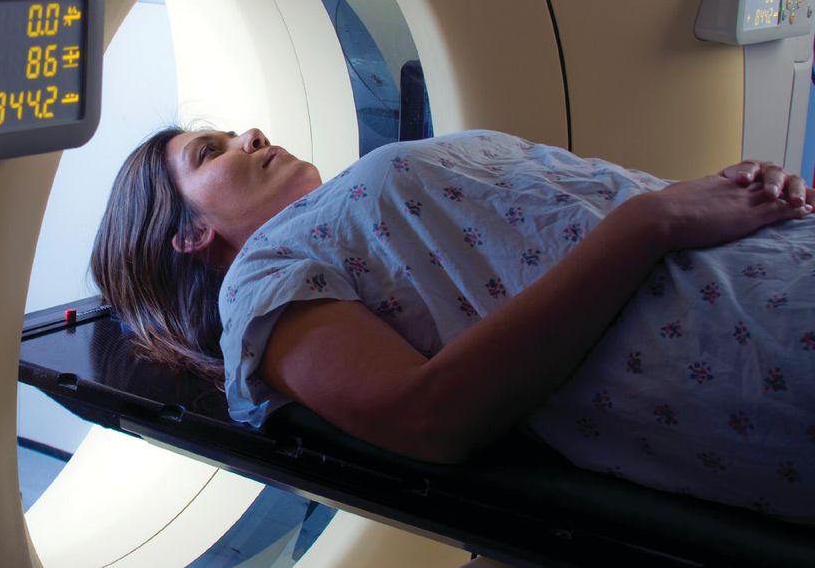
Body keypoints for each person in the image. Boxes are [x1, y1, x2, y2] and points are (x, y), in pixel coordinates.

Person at [90, 126, 815, 519]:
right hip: (753, 340)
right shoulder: (259, 283)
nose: (249, 131)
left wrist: (717, 196)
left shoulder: (334, 218)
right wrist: (655, 219)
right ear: (185, 234)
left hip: (768, 257)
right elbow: (427, 414)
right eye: (209, 151)